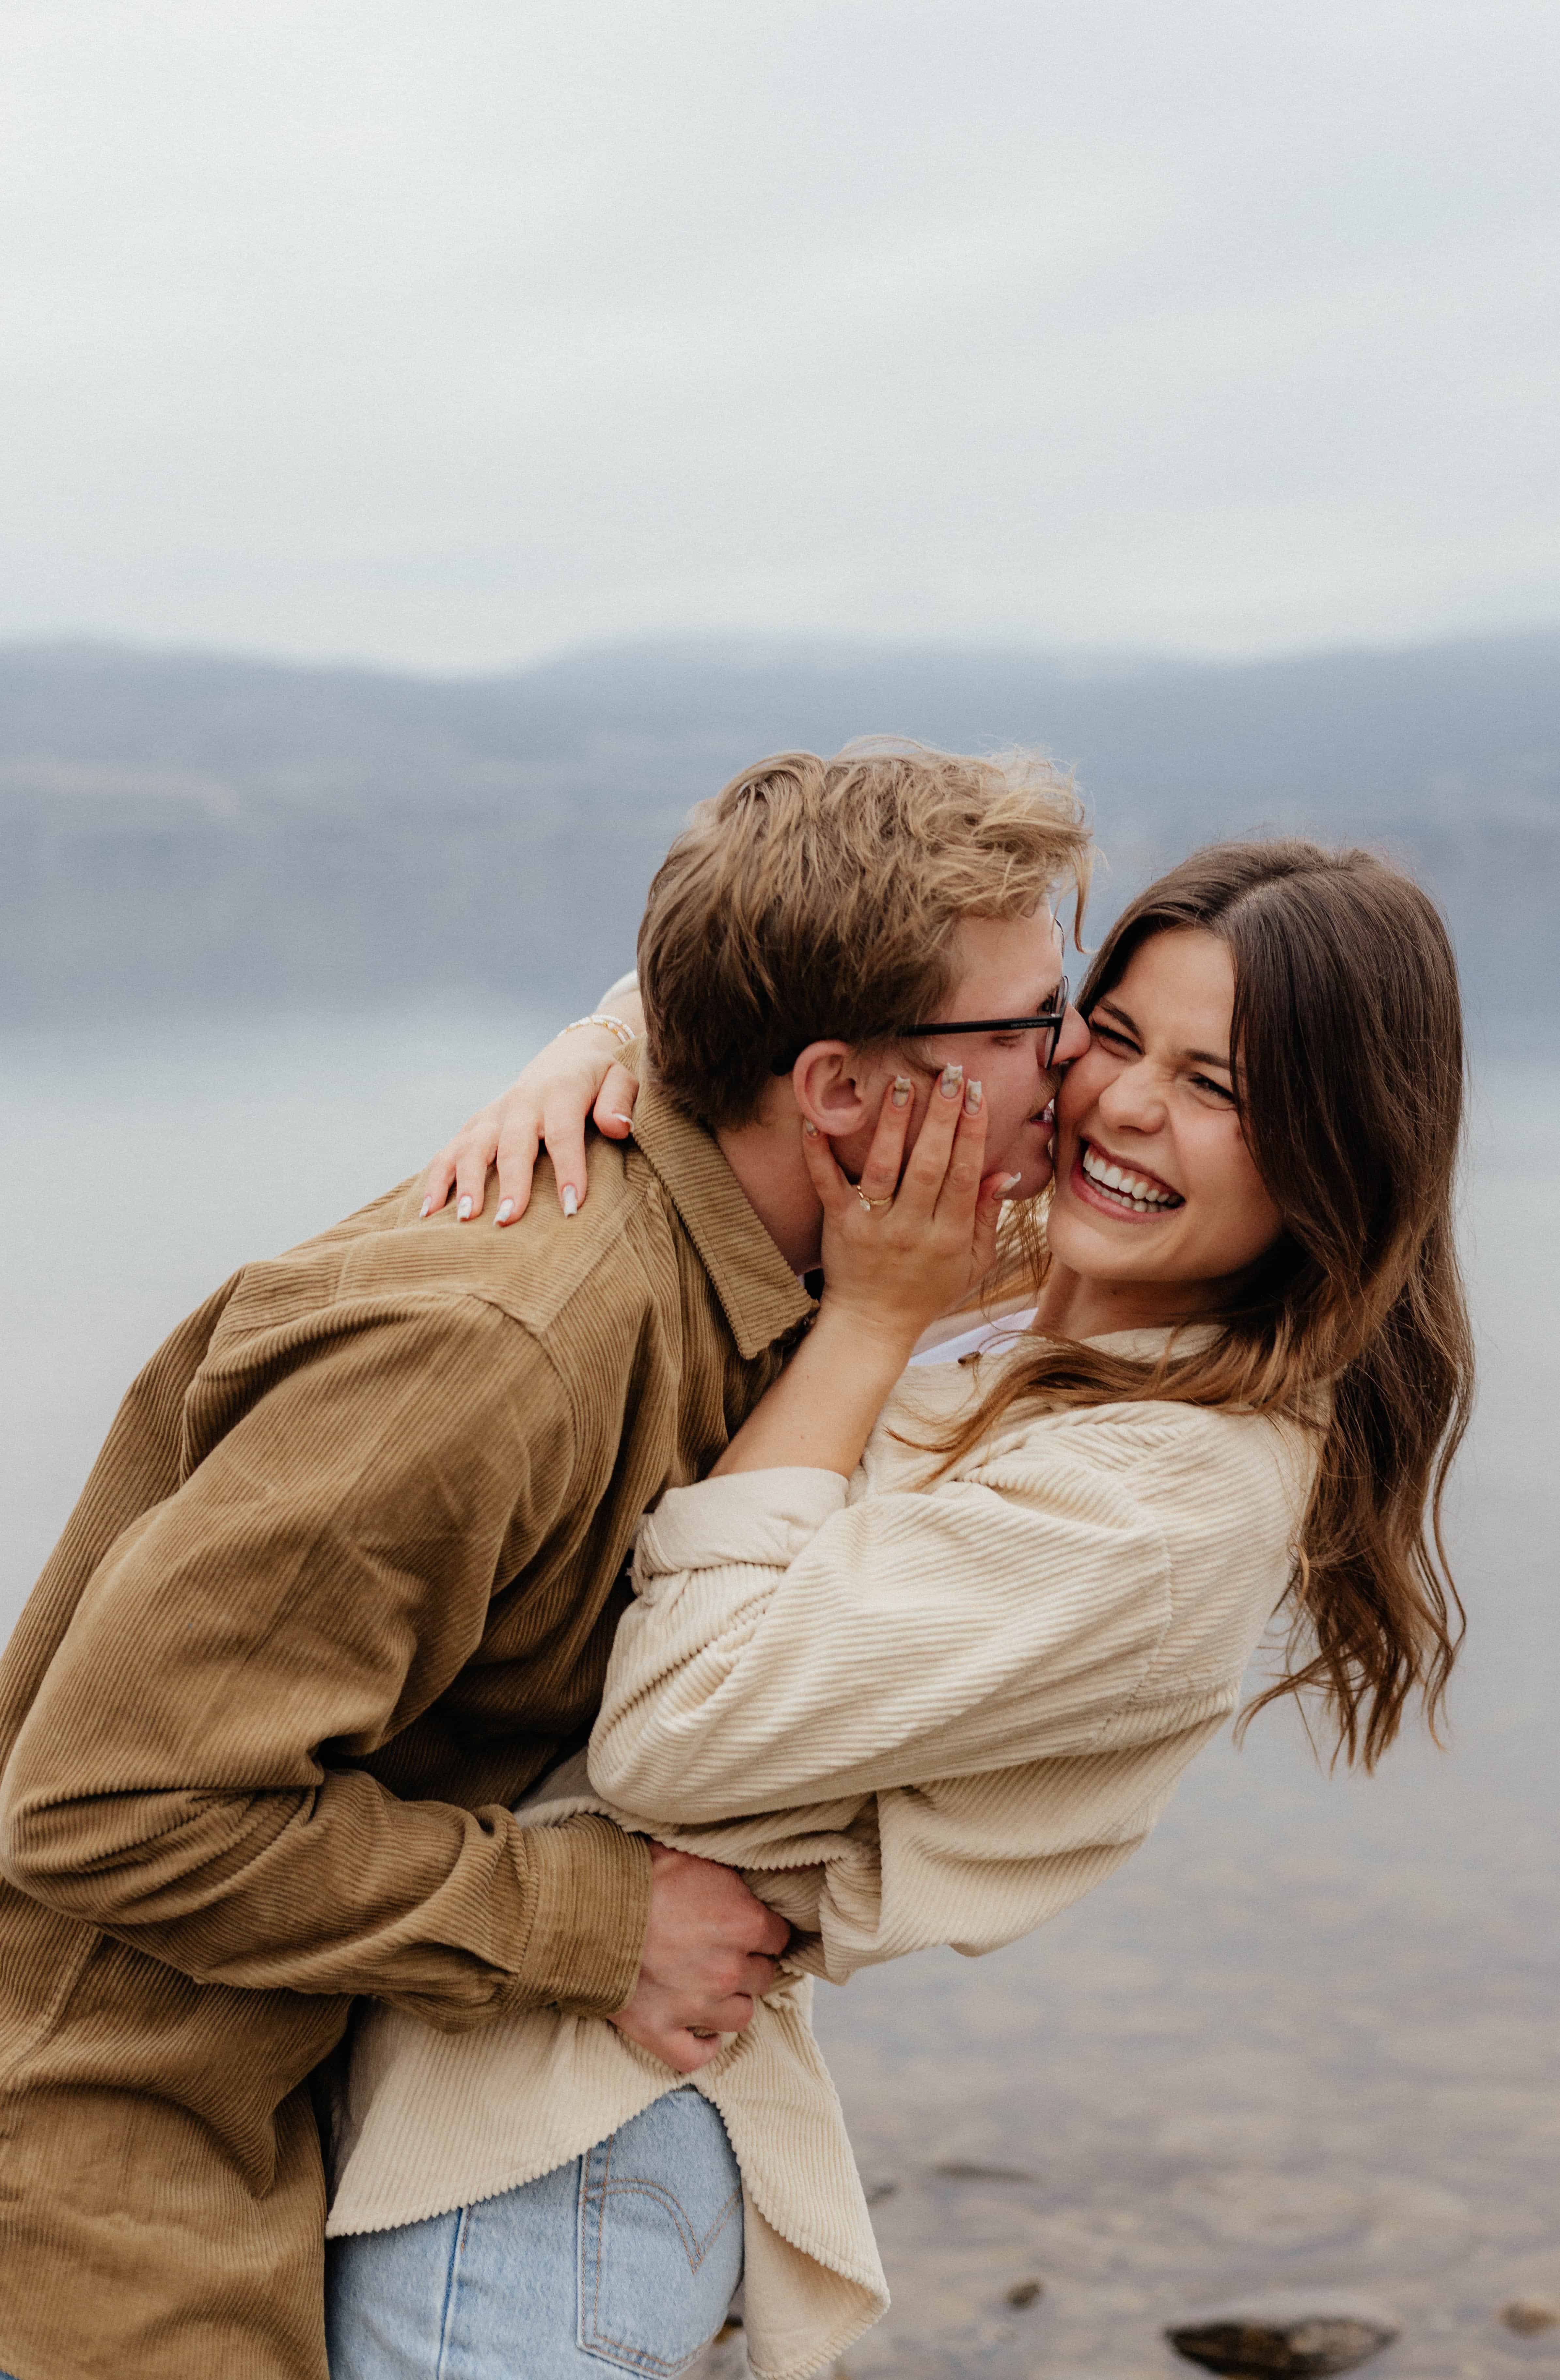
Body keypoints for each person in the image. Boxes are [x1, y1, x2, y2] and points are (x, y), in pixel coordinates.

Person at [0, 743, 1091, 2380]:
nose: (1069, 1068)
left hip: (330, 2074)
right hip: (117, 2142)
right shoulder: (495, 1350)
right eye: (1026, 1029)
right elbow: (106, 1803)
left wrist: (609, 1028)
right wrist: (597, 1918)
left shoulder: (789, 1242)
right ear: (842, 1094)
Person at [323, 837, 1472, 2380]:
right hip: (479, 2056)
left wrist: (862, 1319)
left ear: (1338, 1150)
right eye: (1114, 1036)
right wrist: (590, 1050)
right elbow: (791, 1028)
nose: (1123, 1106)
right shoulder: (1020, 1268)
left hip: (551, 2150)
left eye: (1220, 1088)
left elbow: (676, 1730)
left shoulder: (1161, 1501)